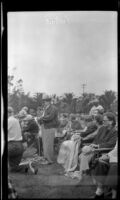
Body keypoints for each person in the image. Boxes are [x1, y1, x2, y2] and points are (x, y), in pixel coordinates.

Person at [78, 112, 117, 181]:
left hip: (105, 151)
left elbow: (111, 144)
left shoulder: (115, 132)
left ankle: (83, 174)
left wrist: (97, 146)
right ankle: (84, 173)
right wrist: (93, 145)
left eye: (105, 121)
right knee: (83, 155)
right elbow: (96, 140)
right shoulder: (102, 129)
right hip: (95, 149)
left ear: (111, 121)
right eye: (103, 121)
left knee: (84, 155)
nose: (103, 122)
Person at [37, 94, 59, 164]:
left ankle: (49, 160)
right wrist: (40, 120)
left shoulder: (53, 108)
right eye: (44, 101)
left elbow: (50, 117)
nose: (44, 102)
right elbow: (44, 117)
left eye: (46, 101)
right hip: (45, 127)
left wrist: (40, 118)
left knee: (48, 144)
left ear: (49, 101)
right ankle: (46, 158)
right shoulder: (46, 108)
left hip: (50, 127)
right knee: (45, 143)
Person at [8, 107, 24, 172]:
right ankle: (28, 166)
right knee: (13, 168)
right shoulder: (16, 120)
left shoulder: (9, 120)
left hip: (12, 146)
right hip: (20, 146)